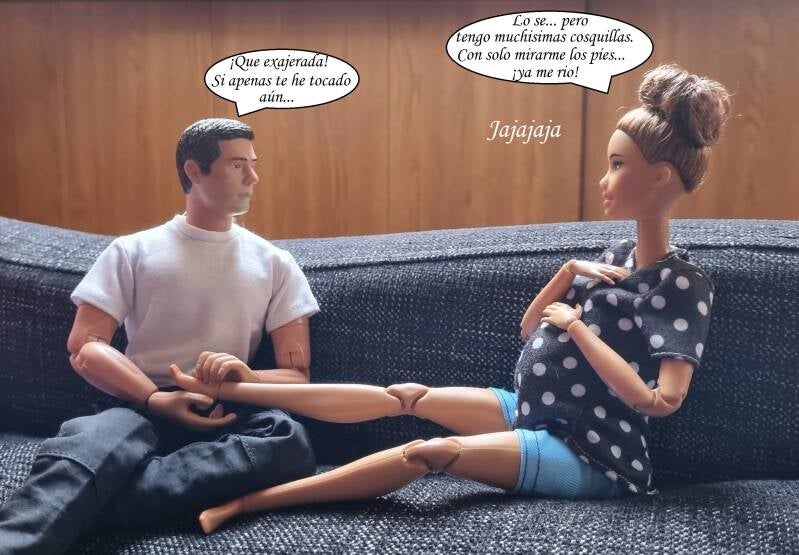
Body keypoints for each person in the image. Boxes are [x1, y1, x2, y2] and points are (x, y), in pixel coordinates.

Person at [172, 64, 731, 534]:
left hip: (592, 451)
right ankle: (232, 389)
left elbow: (662, 400)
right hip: (534, 408)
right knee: (406, 396)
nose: (605, 180)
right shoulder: (614, 256)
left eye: (618, 165)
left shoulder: (681, 283)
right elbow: (529, 329)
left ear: (659, 177)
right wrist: (566, 273)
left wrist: (578, 328)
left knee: (429, 453)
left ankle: (250, 503)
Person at [0, 118, 319, 554]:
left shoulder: (275, 264)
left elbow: (298, 377)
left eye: (253, 164)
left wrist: (246, 378)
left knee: (288, 442)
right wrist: (152, 397)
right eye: (237, 165)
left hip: (228, 408)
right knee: (93, 439)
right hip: (140, 405)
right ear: (194, 170)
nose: (253, 178)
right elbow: (84, 345)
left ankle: (92, 505)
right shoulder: (133, 251)